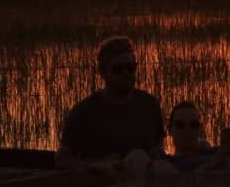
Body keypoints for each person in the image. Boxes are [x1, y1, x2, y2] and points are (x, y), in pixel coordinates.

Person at [57, 37, 165, 169]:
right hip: (100, 185)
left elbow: (159, 144)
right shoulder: (83, 112)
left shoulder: (149, 105)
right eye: (118, 69)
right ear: (102, 72)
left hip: (142, 184)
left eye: (130, 68)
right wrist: (100, 166)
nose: (126, 73)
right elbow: (62, 160)